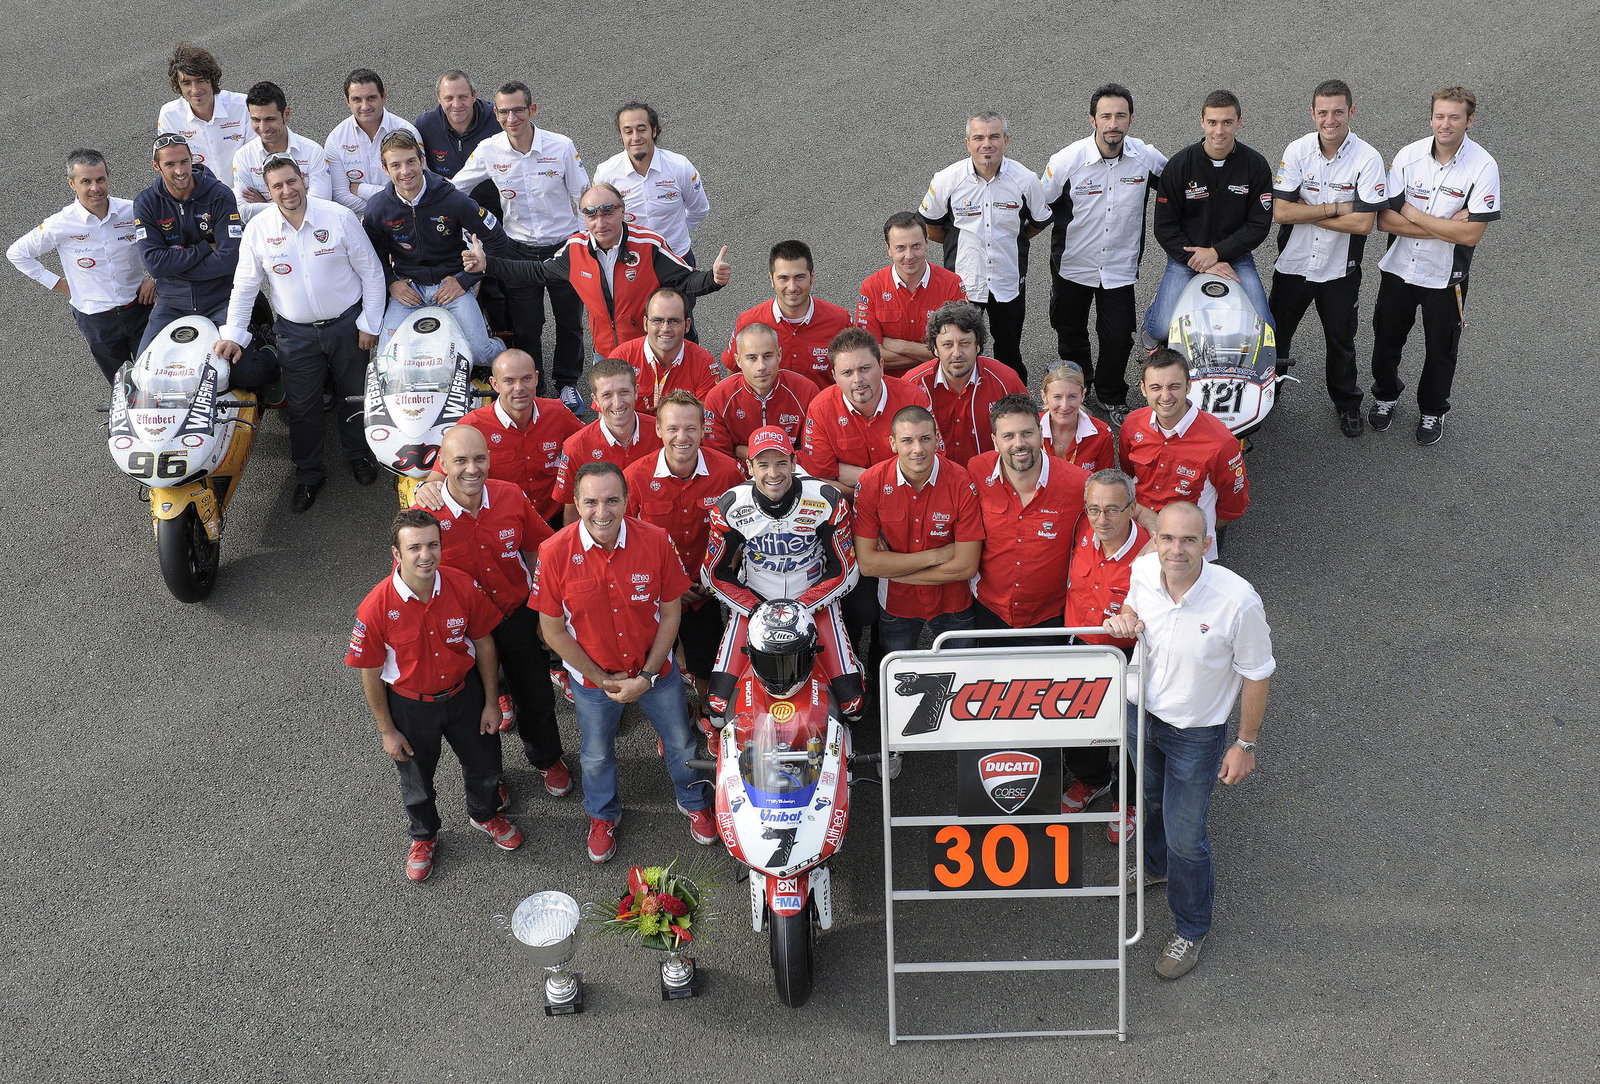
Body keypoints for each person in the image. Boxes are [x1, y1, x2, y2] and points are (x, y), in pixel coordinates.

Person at [1104, 501, 1275, 980]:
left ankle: (1191, 928)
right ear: (1155, 540)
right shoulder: (1144, 569)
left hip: (1195, 735)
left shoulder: (1238, 601)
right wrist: (1125, 618)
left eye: (1188, 540)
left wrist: (1245, 744)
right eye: (1167, 538)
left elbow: (1258, 673)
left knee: (1187, 837)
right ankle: (1154, 867)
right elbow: (1133, 605)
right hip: (1140, 715)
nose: (1175, 549)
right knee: (1150, 800)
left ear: (1207, 543)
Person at [532, 462, 715, 863]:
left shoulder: (656, 540)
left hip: (656, 673)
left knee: (681, 741)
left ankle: (694, 800)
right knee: (596, 754)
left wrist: (646, 676)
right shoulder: (553, 552)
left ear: (627, 500)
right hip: (593, 683)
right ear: (576, 502)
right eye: (591, 502)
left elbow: (671, 614)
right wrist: (600, 679)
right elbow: (552, 631)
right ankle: (602, 814)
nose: (602, 512)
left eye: (612, 500)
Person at [346, 509, 524, 883]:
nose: (425, 555)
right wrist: (387, 731)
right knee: (416, 780)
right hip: (411, 707)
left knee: (485, 762)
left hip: (465, 695)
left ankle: (485, 814)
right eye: (414, 548)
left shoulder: (462, 586)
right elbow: (370, 673)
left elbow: (484, 644)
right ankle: (424, 836)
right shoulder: (375, 607)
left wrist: (491, 701)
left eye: (432, 545)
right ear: (396, 554)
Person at [214, 156, 385, 512]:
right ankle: (309, 474)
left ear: (303, 180)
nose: (287, 190)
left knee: (353, 395)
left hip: (347, 327)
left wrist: (370, 323)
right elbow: (245, 287)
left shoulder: (339, 217)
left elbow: (371, 272)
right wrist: (233, 334)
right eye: (277, 186)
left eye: (291, 181)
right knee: (303, 406)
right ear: (268, 191)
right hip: (295, 334)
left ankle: (358, 454)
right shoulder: (258, 230)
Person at [419, 426, 572, 799]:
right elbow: (413, 583)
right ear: (443, 465)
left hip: (516, 615)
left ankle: (547, 758)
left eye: (479, 459)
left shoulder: (510, 496)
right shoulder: (424, 516)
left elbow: (538, 550)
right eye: (460, 460)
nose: (472, 469)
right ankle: (490, 777)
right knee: (474, 712)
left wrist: (544, 610)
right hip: (464, 632)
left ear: (490, 459)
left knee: (536, 696)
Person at [462, 182, 730, 366]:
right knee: (612, 419)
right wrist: (488, 264)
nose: (600, 222)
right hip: (605, 354)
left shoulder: (649, 245)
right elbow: (536, 271)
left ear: (622, 211)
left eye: (607, 212)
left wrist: (713, 279)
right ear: (584, 218)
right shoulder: (574, 249)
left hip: (648, 351)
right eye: (591, 214)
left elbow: (686, 279)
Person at [1368, 87, 1502, 445]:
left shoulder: (1483, 166)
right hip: (1398, 270)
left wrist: (1412, 213)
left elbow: (1471, 235)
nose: (1446, 124)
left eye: (1455, 117)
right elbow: (1386, 221)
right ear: (1431, 118)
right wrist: (1445, 226)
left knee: (1441, 349)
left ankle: (1432, 410)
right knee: (1386, 339)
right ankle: (1385, 396)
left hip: (1447, 278)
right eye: (1440, 116)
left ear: (1469, 120)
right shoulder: (1408, 156)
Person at [704, 426, 863, 719]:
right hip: (757, 600)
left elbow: (845, 570)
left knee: (852, 705)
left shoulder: (827, 500)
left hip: (814, 599)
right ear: (749, 467)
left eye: (780, 463)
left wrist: (802, 608)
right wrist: (755, 609)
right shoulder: (730, 506)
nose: (773, 473)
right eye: (763, 465)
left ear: (793, 462)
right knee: (716, 705)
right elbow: (713, 574)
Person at [451, 81, 589, 404]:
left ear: (532, 110)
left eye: (518, 110)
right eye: (504, 112)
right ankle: (534, 390)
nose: (511, 118)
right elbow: (455, 191)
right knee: (526, 326)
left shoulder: (561, 147)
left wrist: (583, 243)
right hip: (518, 250)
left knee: (569, 322)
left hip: (564, 248)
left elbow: (583, 197)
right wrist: (471, 233)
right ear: (495, 114)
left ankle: (567, 383)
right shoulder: (489, 149)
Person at [1039, 83, 1167, 425]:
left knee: (1118, 337)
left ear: (1130, 120)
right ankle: (1079, 393)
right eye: (1106, 116)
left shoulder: (1146, 158)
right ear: (1092, 120)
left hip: (1119, 268)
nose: (1113, 123)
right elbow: (1039, 206)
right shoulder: (1066, 161)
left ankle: (1110, 396)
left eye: (1120, 116)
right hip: (1072, 266)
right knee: (1070, 333)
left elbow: (1180, 187)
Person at [1269, 79, 1387, 438]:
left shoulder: (1368, 158)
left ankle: (1347, 403)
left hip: (1340, 271)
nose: (1330, 120)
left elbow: (1364, 224)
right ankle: (1269, 392)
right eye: (1323, 112)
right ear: (1312, 113)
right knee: (1277, 335)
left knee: (1341, 341)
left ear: (1351, 111)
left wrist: (1306, 210)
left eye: (1338, 112)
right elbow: (1281, 212)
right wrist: (1337, 208)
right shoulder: (1297, 150)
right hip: (1293, 265)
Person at [623, 391, 744, 714]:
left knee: (708, 658)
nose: (682, 437)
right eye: (673, 428)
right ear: (658, 429)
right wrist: (670, 586)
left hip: (706, 589)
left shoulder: (728, 472)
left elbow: (740, 533)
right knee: (655, 665)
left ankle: (707, 711)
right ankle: (672, 716)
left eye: (691, 428)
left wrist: (716, 577)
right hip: (653, 592)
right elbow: (625, 542)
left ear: (703, 429)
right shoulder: (635, 477)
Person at [134, 134, 278, 392]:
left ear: (192, 159)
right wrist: (204, 248)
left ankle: (271, 352)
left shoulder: (219, 195)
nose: (180, 171)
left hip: (219, 301)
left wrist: (176, 269)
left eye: (184, 161)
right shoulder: (146, 202)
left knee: (246, 376)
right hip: (171, 304)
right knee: (141, 378)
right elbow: (155, 265)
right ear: (156, 166)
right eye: (170, 164)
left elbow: (228, 260)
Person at [919, 111, 1052, 382]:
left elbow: (1039, 222)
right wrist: (956, 244)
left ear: (1006, 140)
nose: (986, 144)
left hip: (1008, 280)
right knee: (961, 349)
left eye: (994, 137)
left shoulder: (1026, 180)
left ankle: (1014, 398)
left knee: (1009, 350)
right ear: (968, 143)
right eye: (978, 138)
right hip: (963, 283)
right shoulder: (946, 179)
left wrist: (1015, 239)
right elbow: (930, 226)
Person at [8, 149, 154, 382]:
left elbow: (164, 243)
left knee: (153, 378)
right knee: (121, 386)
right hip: (96, 319)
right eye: (86, 181)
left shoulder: (133, 210)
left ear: (108, 178)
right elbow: (17, 253)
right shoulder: (60, 223)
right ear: (72, 184)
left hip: (140, 309)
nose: (95, 188)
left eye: (100, 179)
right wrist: (57, 283)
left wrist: (154, 278)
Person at [364, 130, 509, 366]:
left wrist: (466, 280)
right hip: (407, 290)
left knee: (480, 354)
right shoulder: (377, 208)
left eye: (411, 161)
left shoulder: (452, 198)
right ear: (385, 169)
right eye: (396, 165)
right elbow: (370, 257)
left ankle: (505, 351)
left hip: (451, 286)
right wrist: (391, 283)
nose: (405, 171)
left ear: (421, 160)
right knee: (387, 361)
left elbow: (498, 240)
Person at [1144, 90, 1274, 352]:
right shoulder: (1179, 165)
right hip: (1186, 257)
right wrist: (1198, 259)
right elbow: (1164, 227)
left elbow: (1259, 225)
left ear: (1239, 122)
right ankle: (1157, 307)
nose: (1219, 131)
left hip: (1236, 257)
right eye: (1212, 122)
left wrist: (1216, 253)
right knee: (1160, 328)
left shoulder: (1256, 165)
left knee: (1265, 326)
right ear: (1202, 121)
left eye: (1227, 122)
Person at [852, 405, 984, 654]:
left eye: (925, 438)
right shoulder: (871, 483)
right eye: (907, 441)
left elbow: (966, 567)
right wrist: (939, 554)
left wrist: (895, 571)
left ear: (937, 439)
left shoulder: (961, 481)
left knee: (962, 673)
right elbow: (868, 565)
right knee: (899, 674)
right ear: (893, 443)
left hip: (953, 603)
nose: (918, 449)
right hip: (897, 604)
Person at [1063, 468, 1148, 834]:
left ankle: (1128, 800)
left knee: (1131, 731)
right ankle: (1090, 780)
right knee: (1080, 723)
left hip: (1127, 656)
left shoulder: (1151, 554)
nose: (1102, 519)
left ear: (1132, 507)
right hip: (1079, 646)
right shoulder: (1081, 527)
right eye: (1094, 509)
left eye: (1113, 509)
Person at [414, 348, 582, 525]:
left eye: (526, 378)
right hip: (502, 522)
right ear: (495, 384)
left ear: (536, 378)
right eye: (509, 381)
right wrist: (425, 488)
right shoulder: (472, 426)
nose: (519, 388)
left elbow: (591, 441)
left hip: (556, 516)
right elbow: (438, 476)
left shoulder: (557, 412)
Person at [969, 393, 1090, 636]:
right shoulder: (976, 469)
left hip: (1049, 617)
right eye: (1008, 436)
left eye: (1027, 433)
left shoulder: (1078, 483)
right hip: (988, 610)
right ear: (994, 441)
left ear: (1040, 433)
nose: (1019, 444)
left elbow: (1118, 508)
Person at [593, 102, 709, 339]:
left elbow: (699, 210)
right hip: (630, 264)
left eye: (641, 129)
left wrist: (675, 235)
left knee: (680, 325)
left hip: (677, 260)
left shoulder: (679, 167)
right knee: (636, 327)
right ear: (621, 136)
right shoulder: (606, 173)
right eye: (628, 131)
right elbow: (598, 219)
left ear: (654, 130)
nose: (635, 137)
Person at [1118, 349, 1248, 560]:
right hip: (1139, 528)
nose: (1165, 396)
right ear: (1143, 389)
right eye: (1156, 387)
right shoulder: (1132, 424)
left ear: (1188, 386)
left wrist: (1197, 533)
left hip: (1185, 547)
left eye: (1174, 386)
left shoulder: (1221, 443)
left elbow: (1233, 504)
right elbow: (1129, 471)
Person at [798, 327, 931, 497]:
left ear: (881, 366)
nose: (858, 380)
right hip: (849, 503)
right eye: (847, 373)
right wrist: (878, 488)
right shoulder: (820, 409)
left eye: (865, 369)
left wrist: (861, 477)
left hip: (910, 498)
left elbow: (929, 464)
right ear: (835, 377)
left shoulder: (913, 398)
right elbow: (821, 480)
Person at [903, 300, 1026, 466]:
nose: (956, 353)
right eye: (947, 345)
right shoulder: (911, 384)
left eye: (964, 343)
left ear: (978, 345)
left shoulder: (1006, 381)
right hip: (934, 477)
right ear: (935, 349)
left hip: (991, 475)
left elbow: (1027, 434)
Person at [721, 239, 854, 391]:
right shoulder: (748, 322)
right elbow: (734, 372)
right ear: (771, 279)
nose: (792, 287)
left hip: (822, 406)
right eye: (783, 278)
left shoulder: (840, 321)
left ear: (812, 276)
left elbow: (856, 372)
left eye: (799, 277)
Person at [548, 357, 663, 520]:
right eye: (607, 395)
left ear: (636, 391)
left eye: (624, 392)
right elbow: (572, 509)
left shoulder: (662, 433)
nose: (617, 403)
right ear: (595, 399)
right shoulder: (575, 447)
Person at [854, 211, 967, 374]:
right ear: (888, 249)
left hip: (939, 381)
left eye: (916, 246)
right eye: (900, 248)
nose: (909, 256)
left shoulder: (952, 284)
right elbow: (868, 355)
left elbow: (960, 348)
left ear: (926, 243)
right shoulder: (871, 287)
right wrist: (935, 354)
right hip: (891, 384)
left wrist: (902, 346)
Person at [702, 323, 816, 459]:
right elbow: (718, 457)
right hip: (739, 471)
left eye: (767, 356)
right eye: (752, 358)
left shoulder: (806, 391)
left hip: (793, 470)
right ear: (738, 360)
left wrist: (745, 452)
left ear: (779, 355)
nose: (761, 366)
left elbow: (813, 454)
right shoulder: (719, 397)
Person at [231, 81, 337, 222]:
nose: (263, 128)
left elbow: (320, 206)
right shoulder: (243, 156)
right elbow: (243, 212)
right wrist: (295, 201)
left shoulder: (313, 151)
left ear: (286, 114)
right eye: (256, 120)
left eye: (270, 119)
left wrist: (268, 203)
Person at [324, 69, 424, 216]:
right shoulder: (335, 139)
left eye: (371, 98)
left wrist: (361, 189)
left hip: (407, 218)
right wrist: (380, 213)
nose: (365, 106)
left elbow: (418, 185)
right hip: (362, 222)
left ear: (384, 96)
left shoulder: (408, 132)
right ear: (347, 101)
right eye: (357, 99)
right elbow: (340, 196)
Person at [610, 288, 724, 413]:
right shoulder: (621, 358)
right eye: (657, 320)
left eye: (674, 321)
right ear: (645, 323)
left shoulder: (704, 364)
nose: (665, 329)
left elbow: (705, 419)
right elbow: (607, 416)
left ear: (687, 325)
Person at [157, 43, 249, 186]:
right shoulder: (169, 115)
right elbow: (170, 167)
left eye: (200, 80)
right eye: (186, 83)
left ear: (212, 79)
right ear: (178, 85)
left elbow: (257, 154)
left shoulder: (243, 106)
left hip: (245, 192)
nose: (195, 90)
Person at [414, 71, 501, 216]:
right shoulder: (424, 125)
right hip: (447, 212)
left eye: (463, 97)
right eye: (448, 98)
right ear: (438, 98)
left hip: (496, 212)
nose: (456, 104)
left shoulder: (497, 120)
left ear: (474, 95)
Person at [1040, 362, 1115, 471]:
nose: (1064, 406)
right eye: (1057, 397)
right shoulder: (1028, 428)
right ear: (1044, 397)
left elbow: (1105, 479)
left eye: (1072, 397)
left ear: (1083, 395)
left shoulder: (1102, 433)